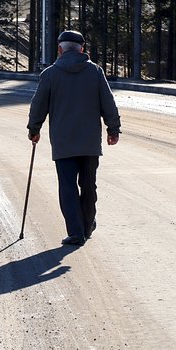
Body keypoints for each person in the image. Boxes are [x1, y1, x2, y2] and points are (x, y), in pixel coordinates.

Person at [27, 30, 121, 246]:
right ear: (83, 49)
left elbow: (38, 105)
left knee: (67, 187)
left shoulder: (50, 74)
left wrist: (34, 128)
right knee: (89, 185)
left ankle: (76, 232)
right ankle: (87, 225)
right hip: (89, 142)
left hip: (63, 142)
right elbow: (108, 102)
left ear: (60, 49)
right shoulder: (95, 72)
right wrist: (113, 129)